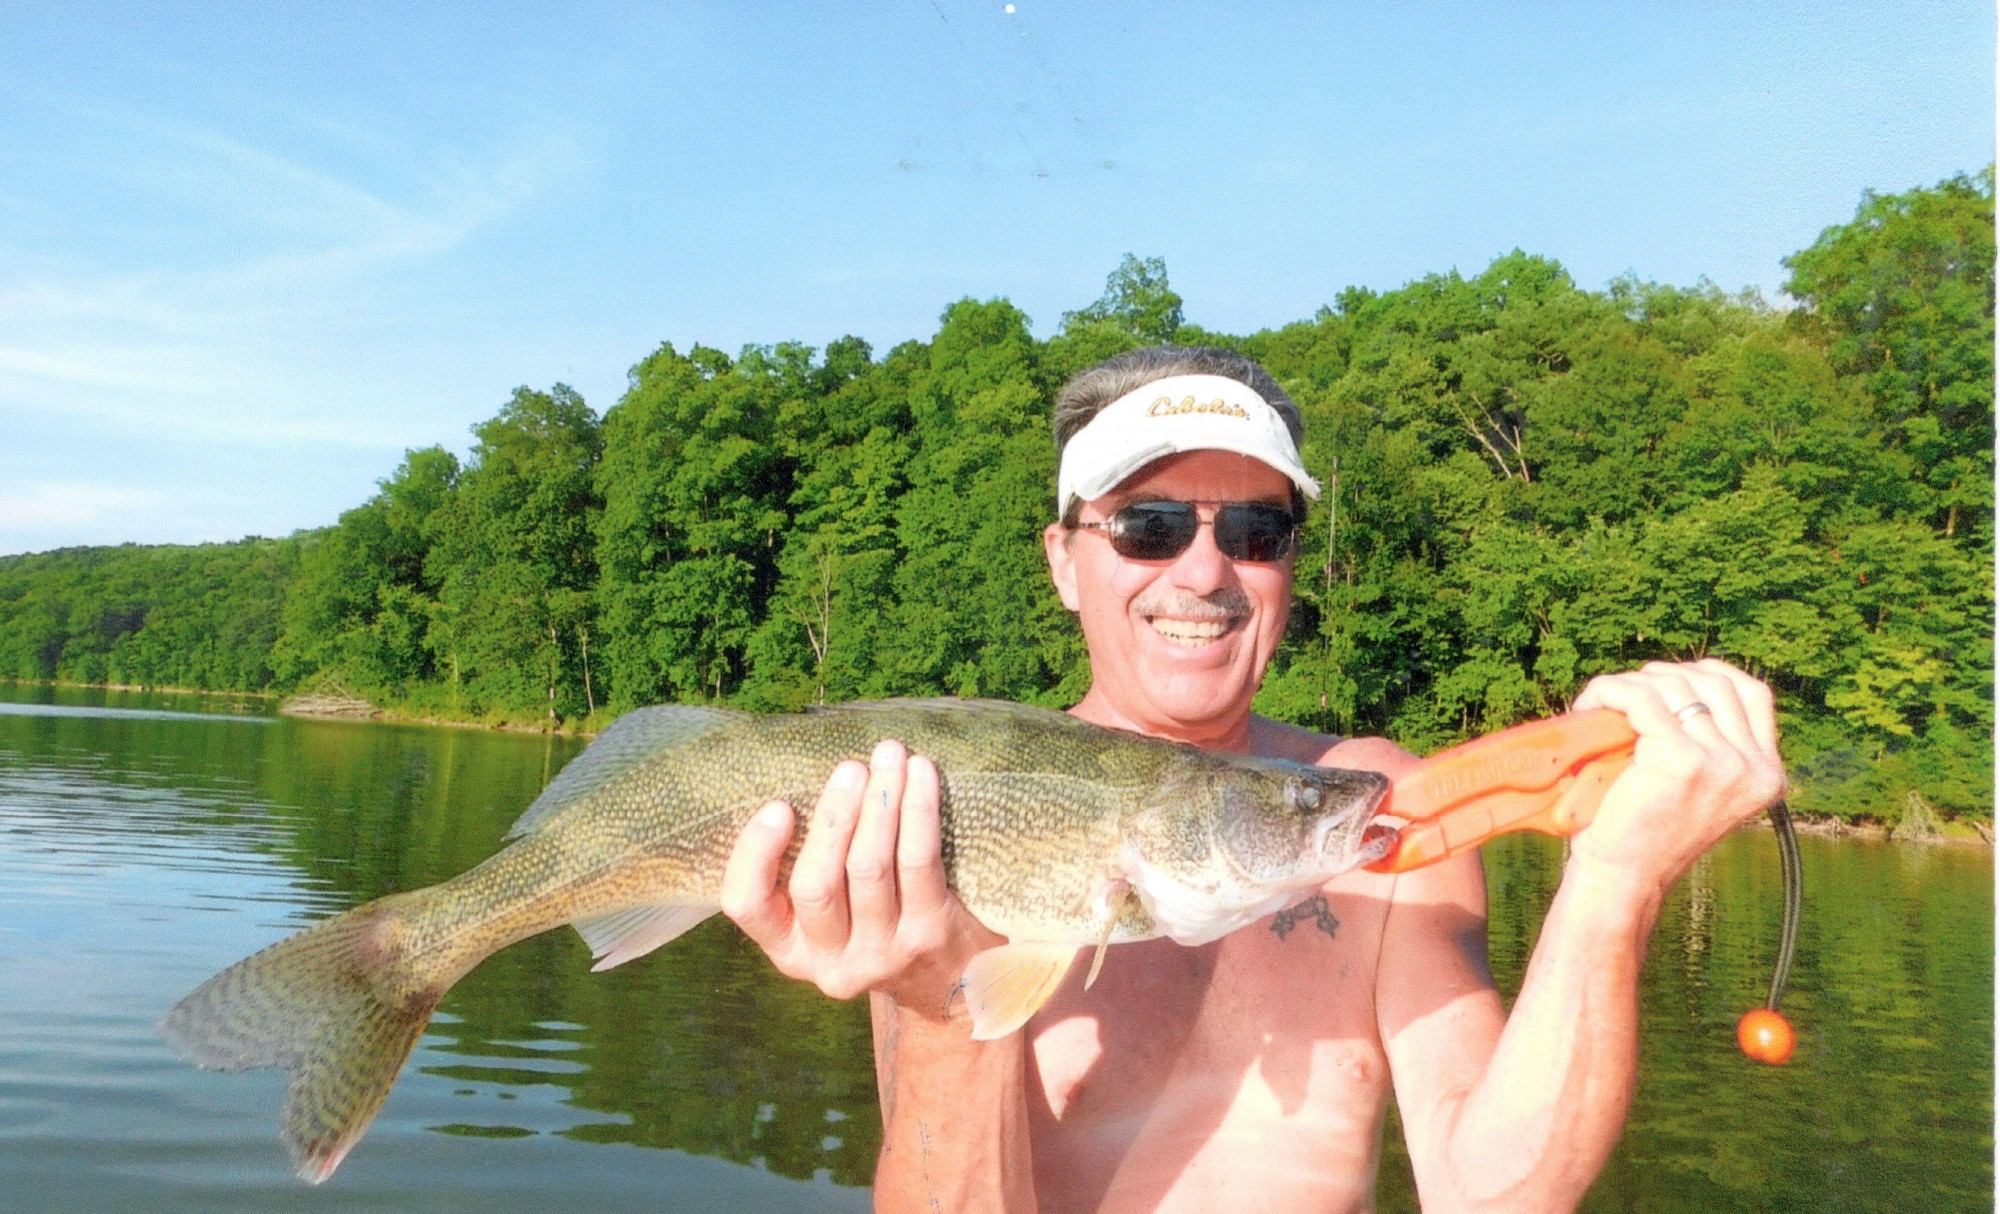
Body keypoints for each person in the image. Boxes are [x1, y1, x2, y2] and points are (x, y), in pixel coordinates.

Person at [719, 345, 1788, 1213]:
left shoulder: (1382, 806)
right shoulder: (946, 809)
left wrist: (1613, 882)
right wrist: (945, 1005)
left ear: (1286, 565)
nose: (1201, 570)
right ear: (1059, 560)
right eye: (1146, 526)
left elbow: (1495, 1191)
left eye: (1253, 530)